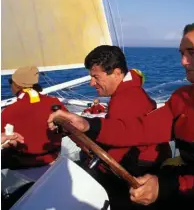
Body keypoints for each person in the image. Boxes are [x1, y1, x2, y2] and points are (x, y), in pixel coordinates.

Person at [48, 21, 194, 209]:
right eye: (181, 53)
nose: (183, 62)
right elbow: (140, 128)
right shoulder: (183, 97)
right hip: (182, 184)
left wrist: (165, 186)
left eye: (191, 53)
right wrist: (87, 124)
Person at [47, 45, 171, 207]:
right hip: (140, 161)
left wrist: (78, 140)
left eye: (96, 77)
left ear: (117, 73)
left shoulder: (126, 100)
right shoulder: (129, 93)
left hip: (138, 169)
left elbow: (114, 154)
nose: (91, 83)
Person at [1, 66, 66, 169]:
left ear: (17, 85)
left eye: (11, 82)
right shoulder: (54, 102)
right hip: (53, 157)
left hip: (23, 162)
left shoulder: (8, 112)